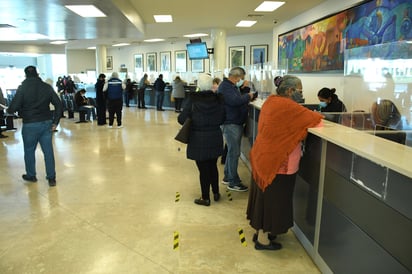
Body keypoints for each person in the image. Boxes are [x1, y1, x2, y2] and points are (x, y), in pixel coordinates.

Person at [246, 75, 323, 251]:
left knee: (264, 199)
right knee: (275, 200)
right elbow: (314, 118)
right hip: (278, 163)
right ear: (290, 91)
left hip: (263, 157)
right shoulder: (288, 106)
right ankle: (263, 240)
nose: (301, 95)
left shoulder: (271, 101)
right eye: (300, 91)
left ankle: (261, 232)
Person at [7, 66, 63, 187]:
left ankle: (31, 175)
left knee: (29, 150)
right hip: (46, 123)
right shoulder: (46, 87)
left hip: (30, 124)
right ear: (37, 74)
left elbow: (13, 108)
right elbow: (59, 105)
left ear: (25, 75)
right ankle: (51, 178)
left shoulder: (22, 88)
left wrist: (13, 109)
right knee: (48, 151)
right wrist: (55, 122)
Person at [177, 74, 225, 206]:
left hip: (198, 138)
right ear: (211, 85)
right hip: (215, 136)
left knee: (203, 169)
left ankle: (205, 197)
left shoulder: (193, 100)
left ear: (198, 85)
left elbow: (181, 119)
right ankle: (216, 192)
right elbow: (223, 118)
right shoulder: (219, 100)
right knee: (213, 166)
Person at [218, 67, 255, 192]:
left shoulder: (230, 87)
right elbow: (234, 101)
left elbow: (236, 98)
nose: (242, 80)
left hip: (233, 122)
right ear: (237, 77)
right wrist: (248, 96)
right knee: (234, 153)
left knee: (232, 151)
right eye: (242, 78)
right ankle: (233, 182)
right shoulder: (226, 87)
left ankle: (228, 177)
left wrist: (245, 92)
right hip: (231, 123)